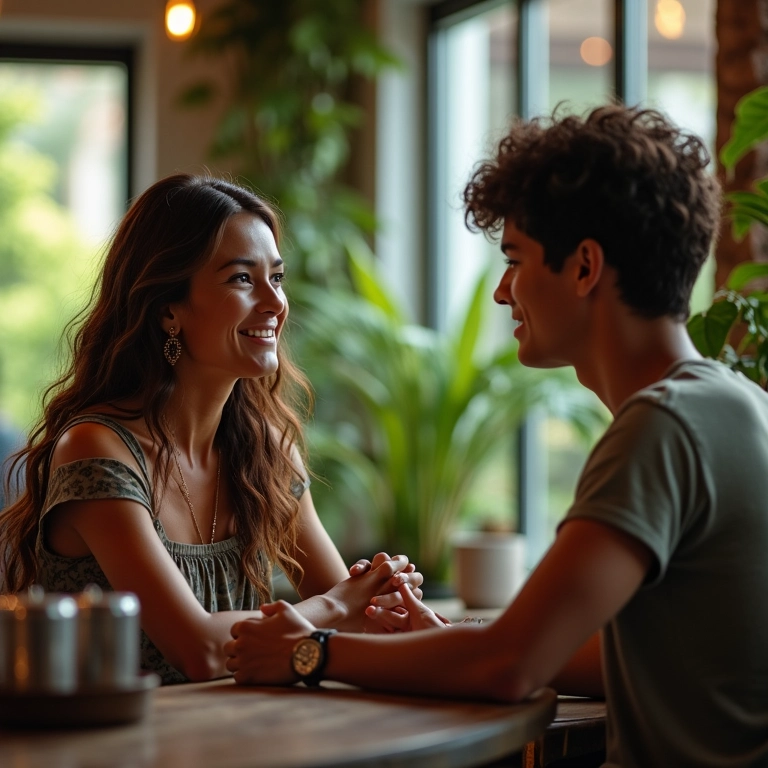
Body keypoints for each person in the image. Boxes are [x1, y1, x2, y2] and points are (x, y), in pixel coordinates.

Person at [223, 105, 768, 767]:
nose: (503, 292)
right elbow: (610, 661)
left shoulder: (663, 426)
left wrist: (307, 653)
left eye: (516, 259)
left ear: (585, 267)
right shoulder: (738, 404)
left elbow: (511, 665)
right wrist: (448, 638)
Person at [0, 173, 422, 685]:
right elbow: (198, 648)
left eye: (277, 277)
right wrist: (338, 605)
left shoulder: (265, 451)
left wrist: (385, 598)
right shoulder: (97, 450)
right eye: (242, 279)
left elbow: (355, 622)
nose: (274, 302)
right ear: (168, 310)